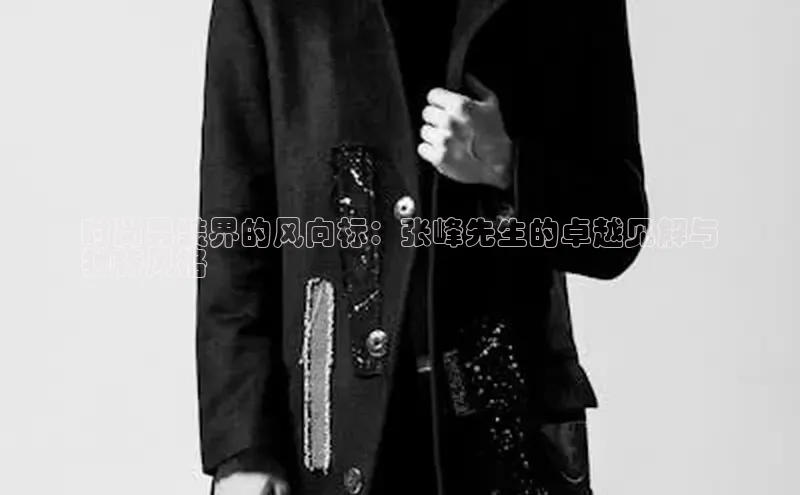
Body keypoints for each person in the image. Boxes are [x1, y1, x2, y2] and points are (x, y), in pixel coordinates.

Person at [196, 0, 648, 494]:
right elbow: (234, 228)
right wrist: (243, 447)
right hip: (329, 438)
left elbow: (617, 230)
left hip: (508, 436)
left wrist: (508, 168)